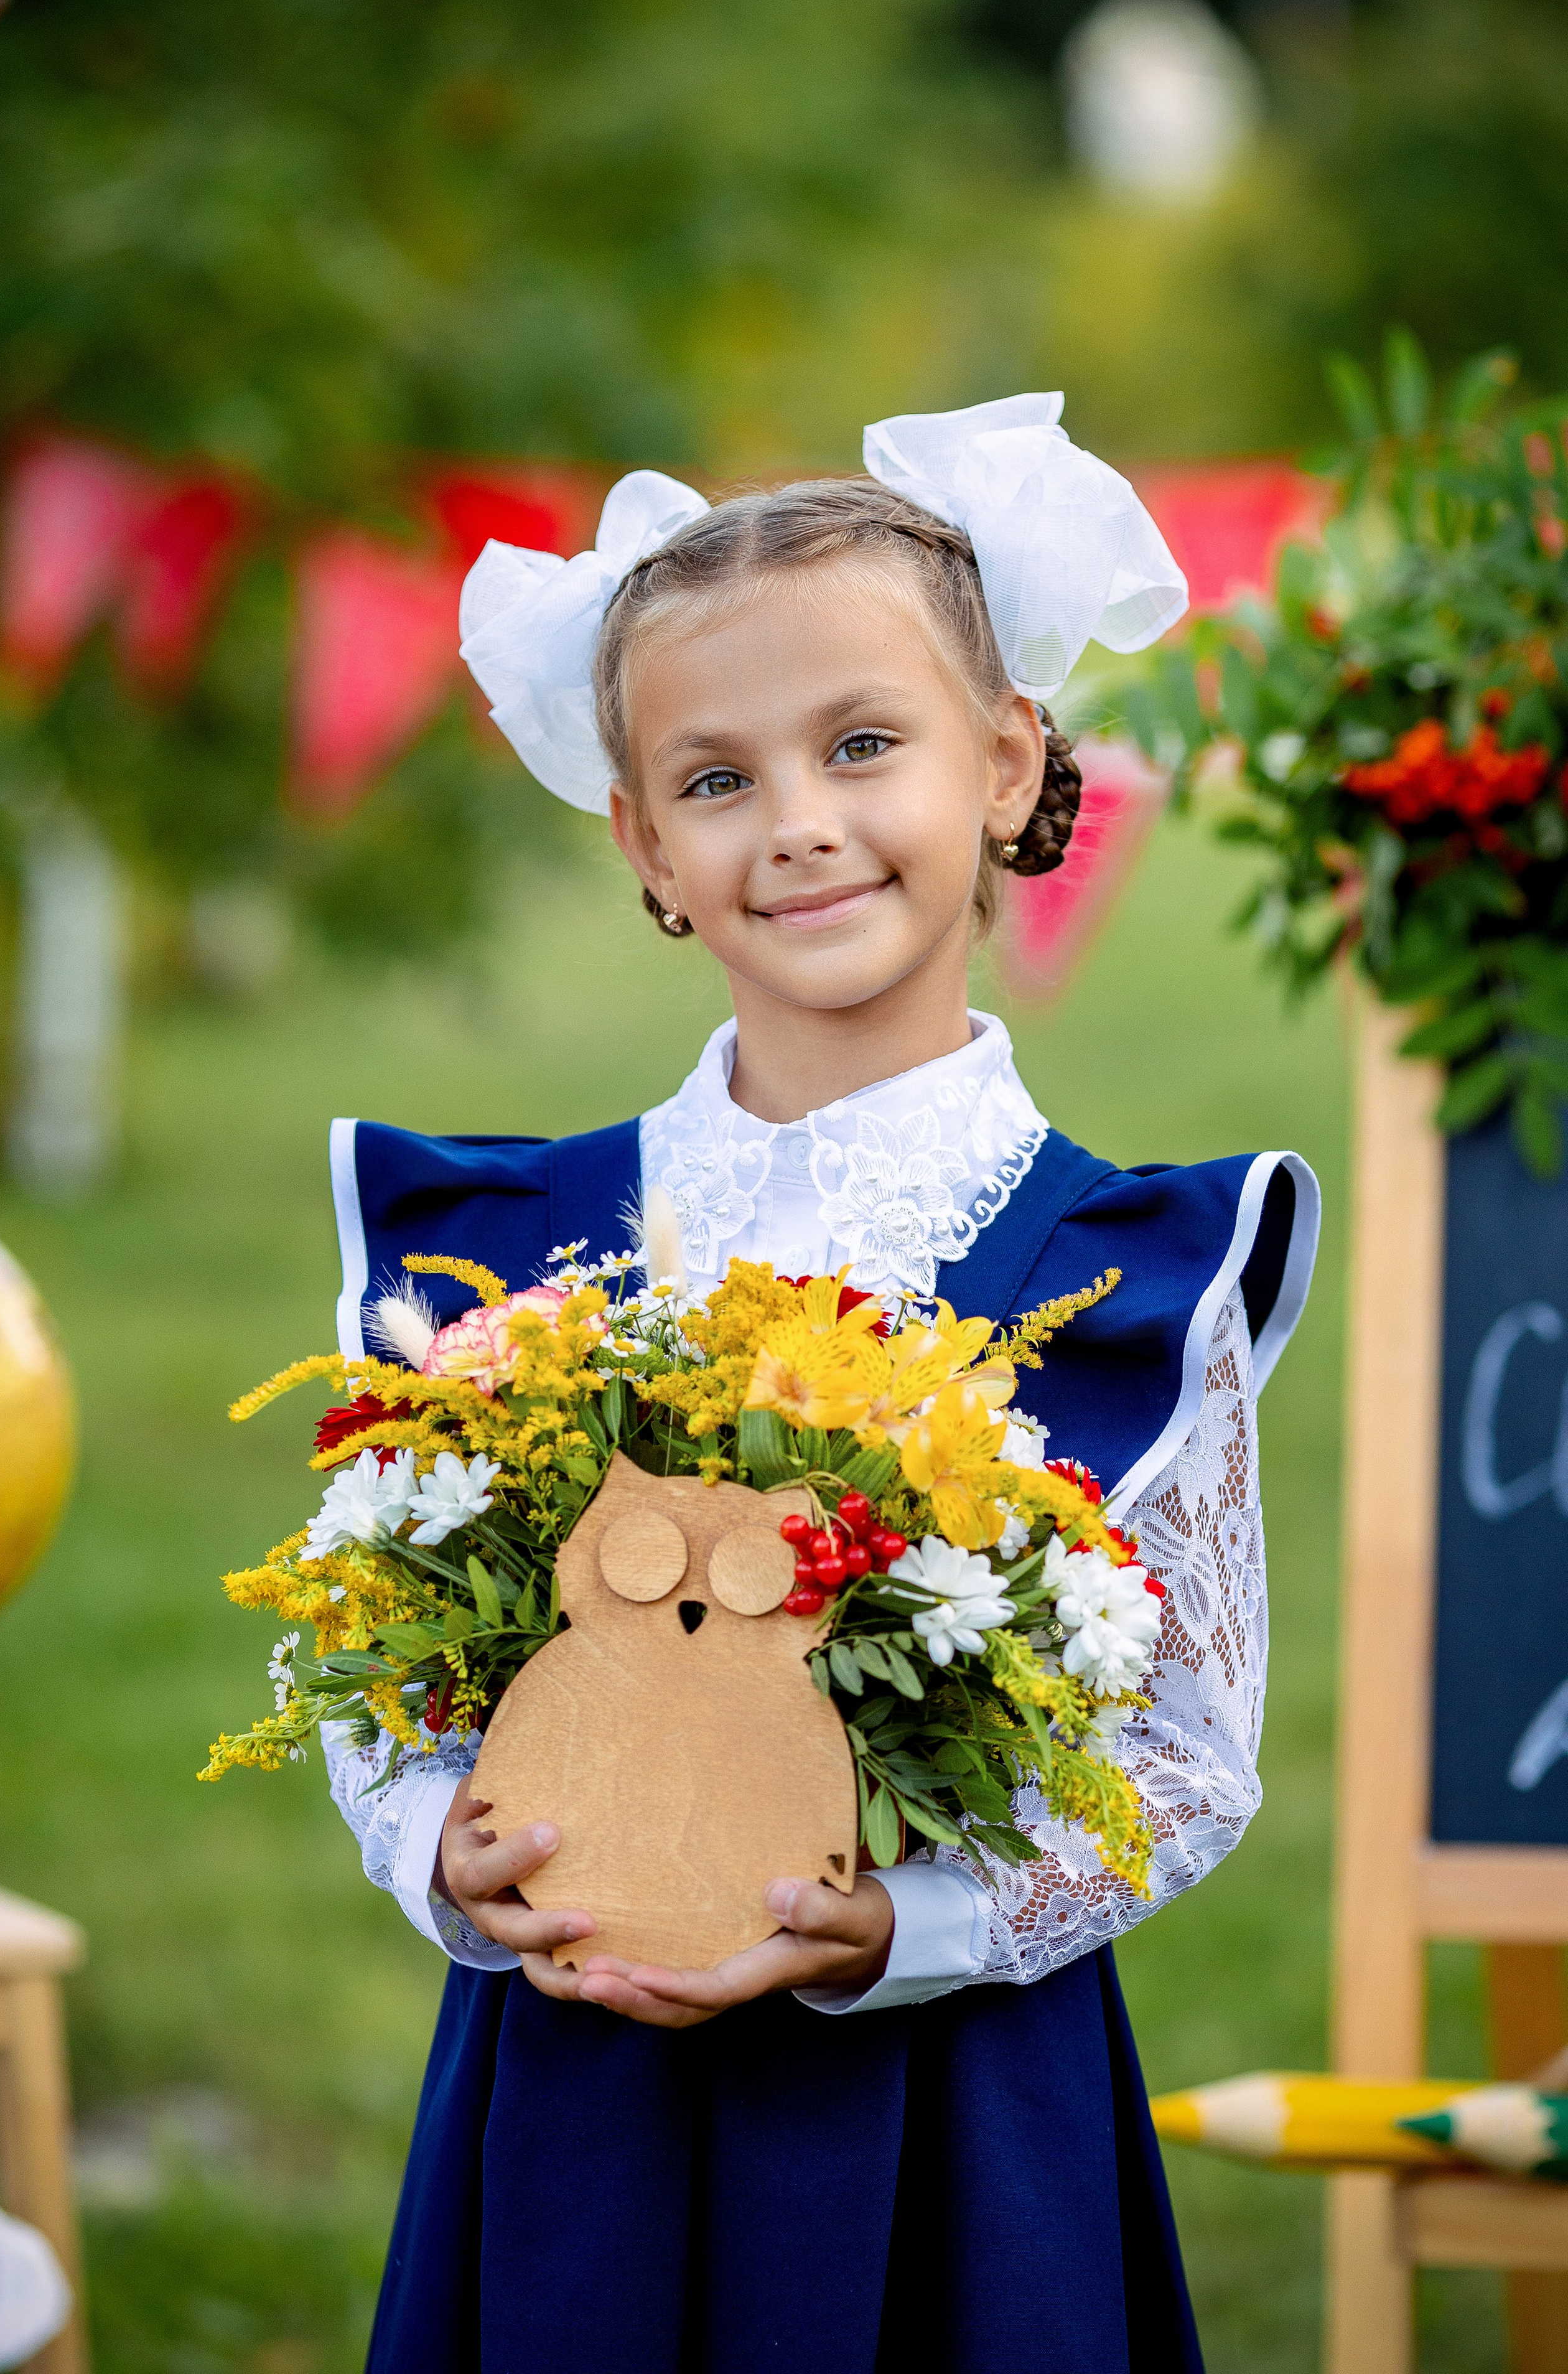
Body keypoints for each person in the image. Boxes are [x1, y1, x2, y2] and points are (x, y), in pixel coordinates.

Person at [323, 395, 1320, 2373]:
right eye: (715, 778)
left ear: (1011, 755)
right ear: (644, 846)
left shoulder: (1127, 1278)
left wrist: (916, 1929)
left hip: (948, 2116)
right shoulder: (502, 1256)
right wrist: (443, 1836)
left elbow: (1189, 1754)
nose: (795, 819)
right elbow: (366, 1646)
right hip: (577, 2092)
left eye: (863, 745)